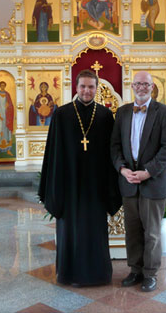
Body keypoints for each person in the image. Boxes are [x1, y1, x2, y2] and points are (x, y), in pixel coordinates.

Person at [38, 69, 121, 287]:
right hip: (69, 184)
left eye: (91, 87)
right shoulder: (62, 114)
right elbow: (53, 153)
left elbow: (111, 152)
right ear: (76, 87)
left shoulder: (104, 115)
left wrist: (112, 186)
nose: (86, 90)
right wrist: (54, 187)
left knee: (95, 230)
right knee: (70, 230)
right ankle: (69, 274)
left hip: (95, 185)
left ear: (97, 88)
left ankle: (98, 275)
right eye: (83, 86)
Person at [111, 71, 166, 292]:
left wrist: (147, 172)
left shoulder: (165, 112)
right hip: (129, 181)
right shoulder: (122, 112)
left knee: (151, 232)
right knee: (132, 229)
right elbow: (115, 146)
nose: (141, 87)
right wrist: (122, 169)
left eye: (145, 84)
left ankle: (150, 274)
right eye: (137, 83)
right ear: (132, 86)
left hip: (153, 181)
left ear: (152, 87)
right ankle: (135, 270)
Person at [0, 81, 14, 158]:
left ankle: (8, 150)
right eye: (1, 85)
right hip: (0, 117)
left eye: (4, 85)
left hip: (7, 117)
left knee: (7, 132)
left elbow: (11, 105)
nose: (2, 87)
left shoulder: (7, 94)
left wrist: (9, 107)